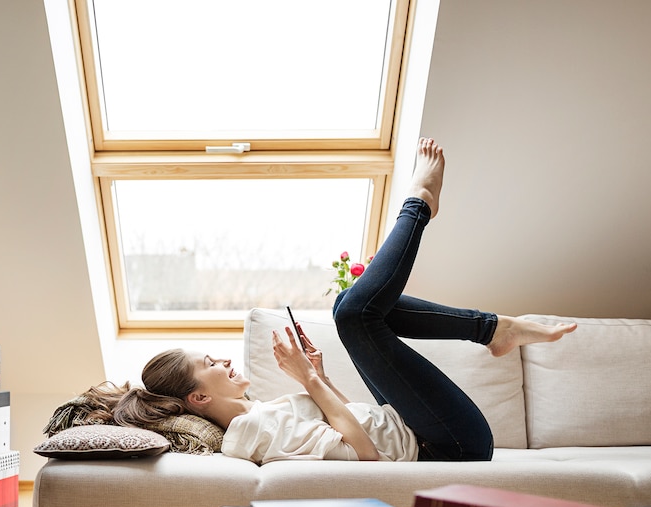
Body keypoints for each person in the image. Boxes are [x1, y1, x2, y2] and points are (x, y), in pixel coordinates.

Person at [111, 138, 577, 463]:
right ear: (199, 396)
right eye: (208, 361)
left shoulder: (255, 412)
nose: (222, 358)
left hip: (411, 427)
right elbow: (364, 455)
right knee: (354, 313)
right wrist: (310, 380)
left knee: (351, 311)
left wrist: (321, 376)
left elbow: (345, 422)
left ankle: (494, 330)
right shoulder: (244, 433)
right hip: (447, 446)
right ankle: (418, 207)